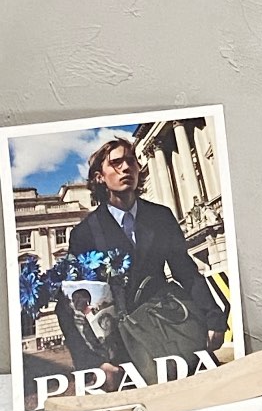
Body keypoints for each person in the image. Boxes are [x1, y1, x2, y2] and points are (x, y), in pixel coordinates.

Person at [66, 137, 226, 364]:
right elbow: (74, 301)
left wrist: (214, 319)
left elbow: (186, 272)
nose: (126, 167)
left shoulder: (161, 216)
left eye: (131, 161)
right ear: (99, 177)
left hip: (170, 324)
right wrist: (94, 363)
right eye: (116, 163)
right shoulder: (84, 233)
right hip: (122, 344)